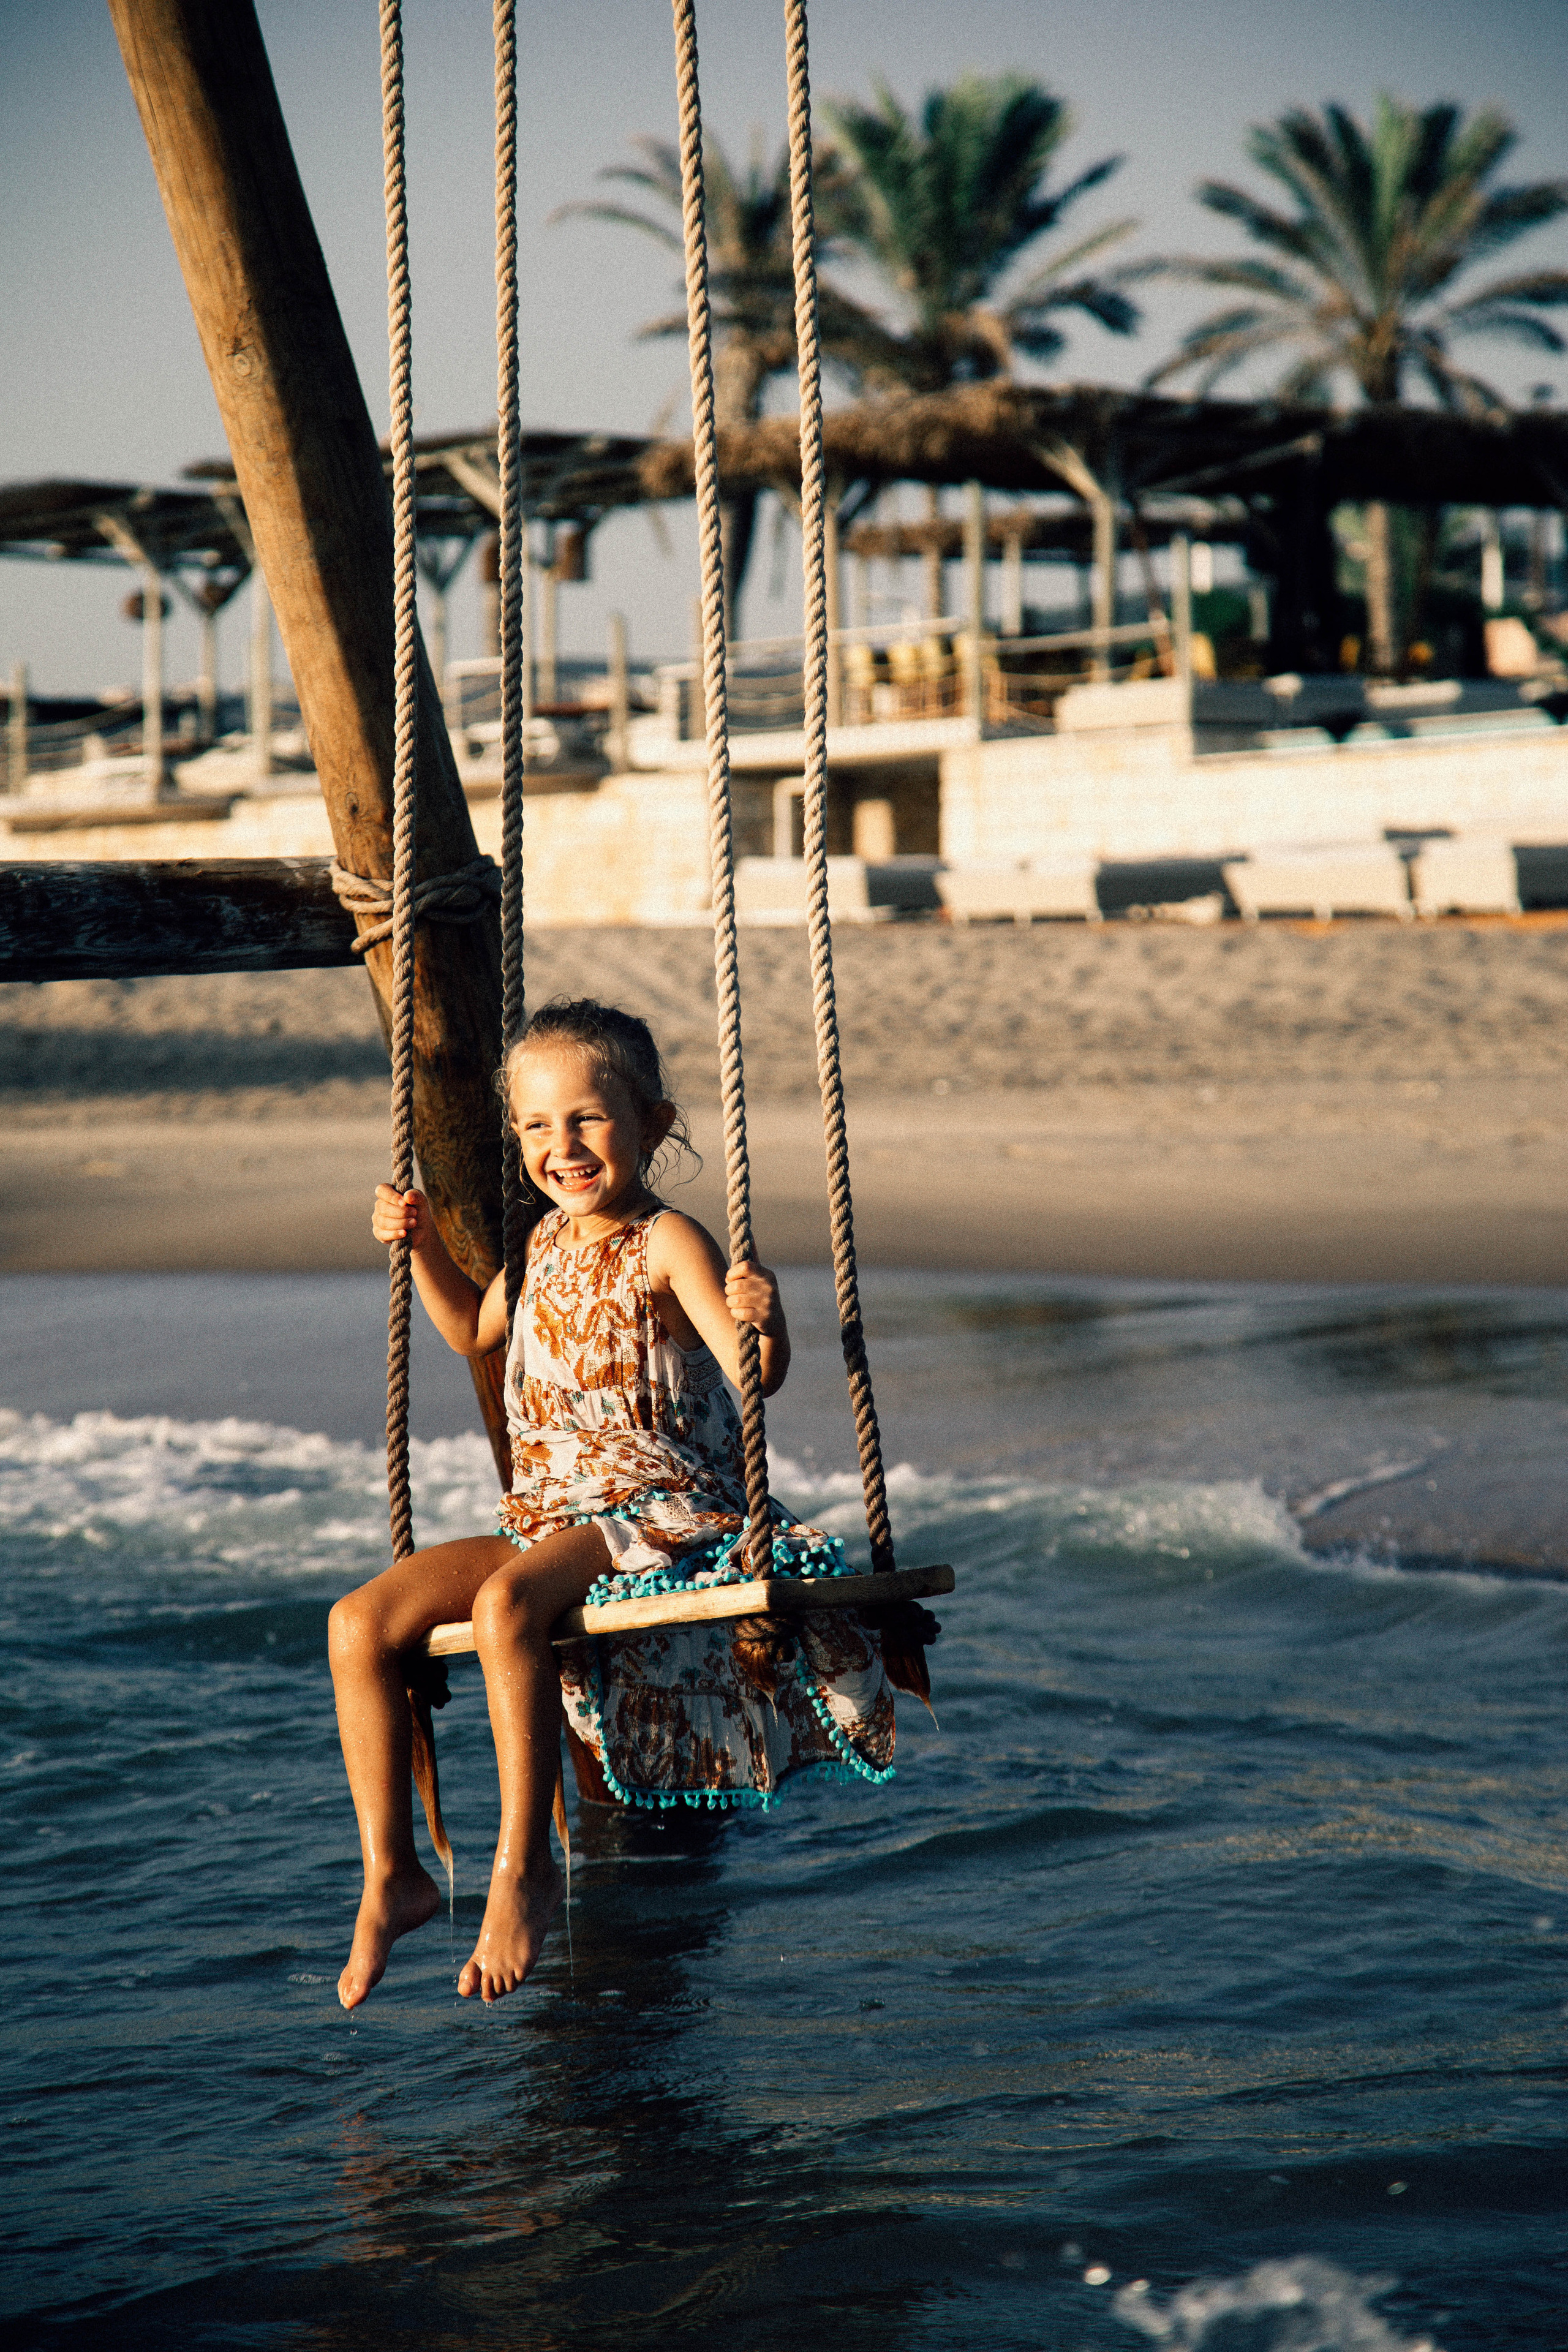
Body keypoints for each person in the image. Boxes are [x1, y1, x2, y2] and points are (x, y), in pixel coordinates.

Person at [330, 997, 901, 2015]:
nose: (563, 1147)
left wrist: (771, 1324)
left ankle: (525, 1871)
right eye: (538, 1128)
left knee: (509, 1611)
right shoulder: (541, 1244)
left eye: (588, 1120)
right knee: (360, 1623)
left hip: (665, 1512)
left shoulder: (669, 1238)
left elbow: (754, 1374)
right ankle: (393, 1875)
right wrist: (414, 1243)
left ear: (653, 1122)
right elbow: (470, 1330)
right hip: (551, 1518)